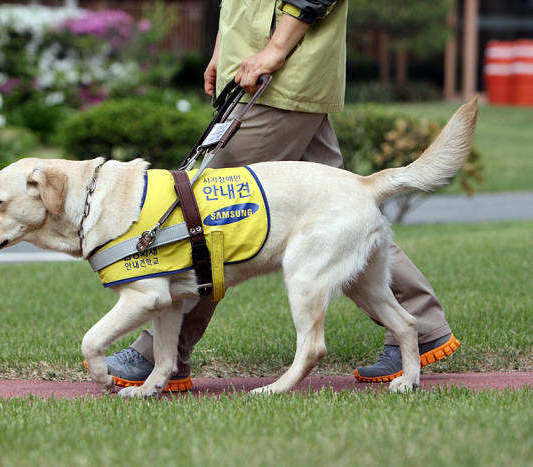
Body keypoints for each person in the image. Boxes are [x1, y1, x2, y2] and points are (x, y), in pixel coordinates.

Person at [103, 0, 460, 391]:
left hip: (282, 71)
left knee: (208, 214)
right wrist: (225, 50)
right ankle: (420, 324)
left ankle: (161, 354)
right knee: (346, 207)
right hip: (265, 69)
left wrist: (274, 49)